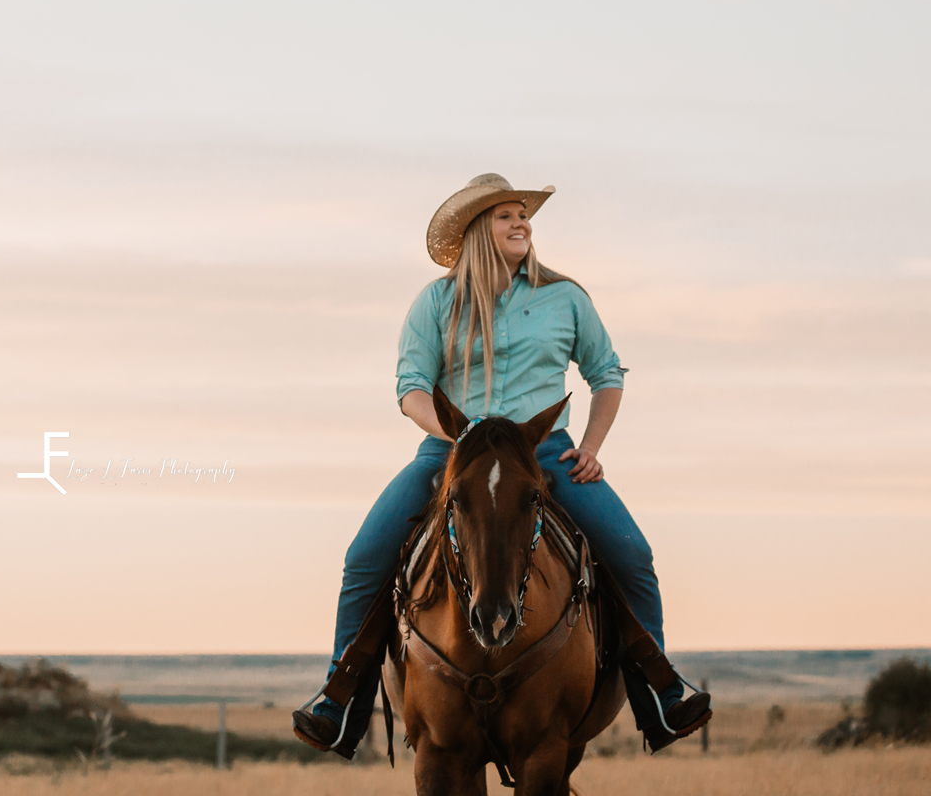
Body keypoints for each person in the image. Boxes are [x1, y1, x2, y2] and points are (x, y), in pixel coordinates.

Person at [292, 173, 711, 758]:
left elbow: (606, 375)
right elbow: (411, 387)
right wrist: (456, 436)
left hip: (543, 454)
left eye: (524, 214)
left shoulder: (565, 297)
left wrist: (590, 447)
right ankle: (339, 698)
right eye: (506, 215)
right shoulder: (436, 302)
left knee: (631, 552)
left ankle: (661, 691)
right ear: (475, 232)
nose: (522, 223)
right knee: (366, 554)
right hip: (452, 453)